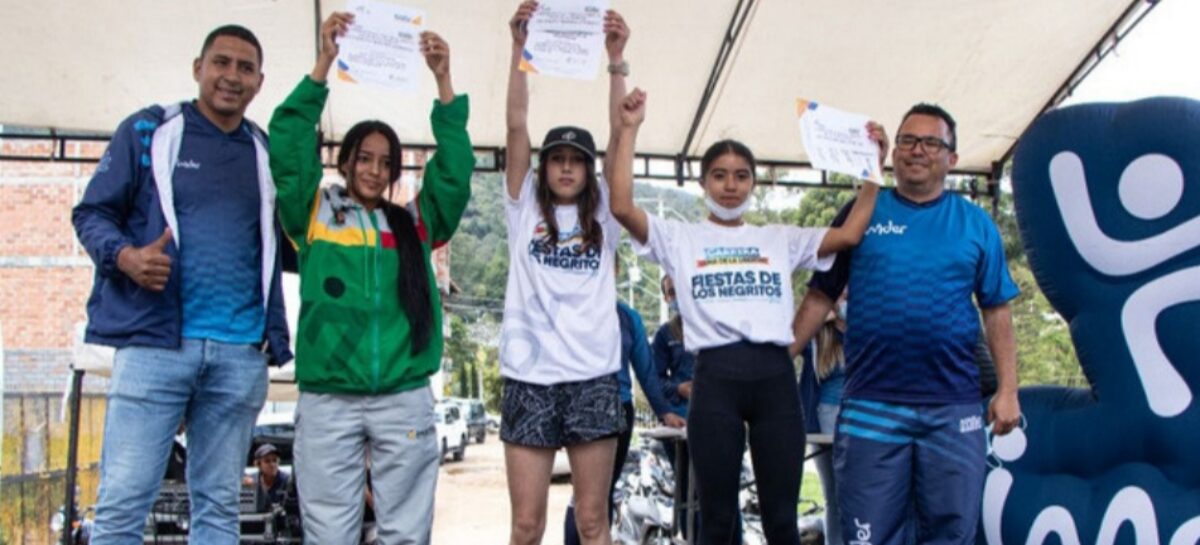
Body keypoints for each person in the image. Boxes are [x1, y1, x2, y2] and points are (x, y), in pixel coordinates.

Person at [607, 86, 885, 543]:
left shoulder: (780, 237)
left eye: (740, 175)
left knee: (780, 520)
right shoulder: (681, 237)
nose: (730, 185)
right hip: (715, 381)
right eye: (719, 175)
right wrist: (630, 129)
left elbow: (851, 233)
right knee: (716, 521)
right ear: (703, 183)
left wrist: (871, 168)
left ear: (753, 182)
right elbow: (621, 205)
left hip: (775, 381)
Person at [72, 24, 290, 544]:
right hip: (153, 346)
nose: (231, 76)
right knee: (123, 504)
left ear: (260, 82)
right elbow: (91, 213)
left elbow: (289, 242)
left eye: (245, 68)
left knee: (218, 509)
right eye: (221, 63)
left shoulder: (264, 152)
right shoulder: (150, 131)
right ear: (198, 68)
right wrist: (125, 257)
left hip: (239, 353)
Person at [267, 12, 474, 544]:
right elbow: (288, 140)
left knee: (405, 531)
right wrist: (324, 62)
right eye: (364, 157)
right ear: (345, 161)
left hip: (403, 395)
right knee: (329, 532)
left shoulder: (412, 225)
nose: (375, 169)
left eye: (386, 162)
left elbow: (453, 174)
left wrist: (443, 82)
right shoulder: (310, 213)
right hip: (328, 399)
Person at [791, 104, 1021, 545]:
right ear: (892, 151)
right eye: (908, 140)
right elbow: (820, 295)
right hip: (871, 409)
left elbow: (997, 309)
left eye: (931, 142)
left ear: (952, 158)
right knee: (867, 537)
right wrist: (776, 358)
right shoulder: (861, 211)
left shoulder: (975, 222)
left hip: (953, 408)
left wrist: (1008, 389)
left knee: (950, 535)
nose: (917, 150)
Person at [499, 3, 631, 544]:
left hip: (592, 379)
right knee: (527, 526)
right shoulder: (523, 206)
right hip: (530, 379)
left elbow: (620, 138)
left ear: (590, 169)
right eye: (557, 159)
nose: (568, 166)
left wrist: (617, 59)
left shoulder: (607, 213)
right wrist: (519, 50)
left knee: (594, 522)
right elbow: (515, 124)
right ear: (544, 166)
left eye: (578, 159)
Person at [563, 294, 686, 545]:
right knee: (584, 496)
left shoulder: (628, 317)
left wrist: (664, 411)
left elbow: (647, 371)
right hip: (577, 404)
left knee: (601, 493)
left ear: (615, 270)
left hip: (618, 407)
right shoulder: (570, 307)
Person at [796, 294, 848, 545]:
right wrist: (816, 320)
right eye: (840, 293)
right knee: (834, 493)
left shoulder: (863, 327)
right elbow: (792, 341)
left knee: (855, 491)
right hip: (825, 415)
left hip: (857, 412)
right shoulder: (819, 337)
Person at [253, 444, 291, 513]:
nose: (272, 465)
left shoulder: (287, 481)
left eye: (275, 460)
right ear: (258, 464)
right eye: (267, 461)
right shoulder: (251, 482)